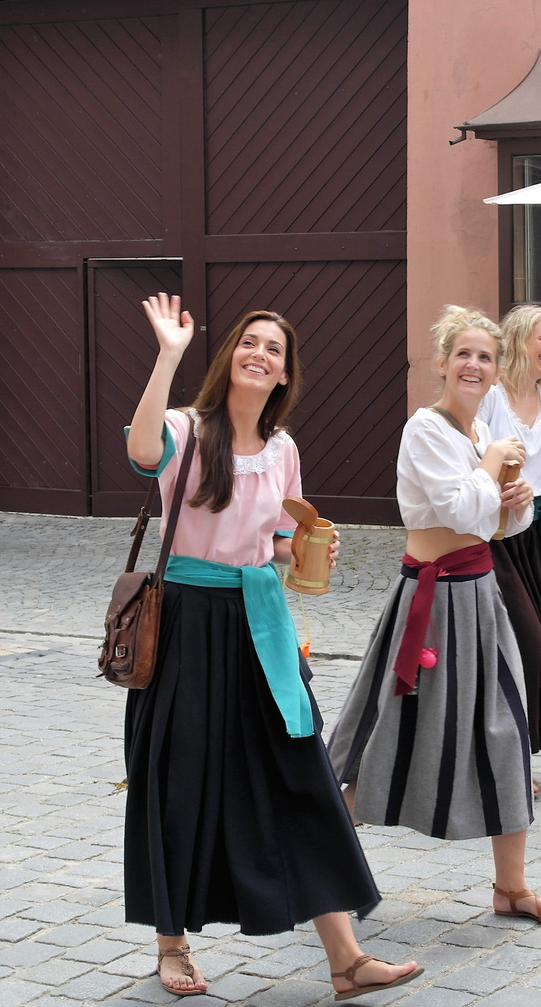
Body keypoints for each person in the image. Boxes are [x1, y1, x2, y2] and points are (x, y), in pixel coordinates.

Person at [124, 294, 420, 1000]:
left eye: (274, 350)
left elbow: (281, 548)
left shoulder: (283, 449)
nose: (260, 355)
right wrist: (167, 353)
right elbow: (139, 451)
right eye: (250, 343)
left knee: (302, 774)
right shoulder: (186, 429)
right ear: (231, 356)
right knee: (178, 779)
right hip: (187, 624)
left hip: (260, 625)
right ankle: (173, 945)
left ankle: (346, 960)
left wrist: (309, 549)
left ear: (285, 375)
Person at [327, 306, 541, 929]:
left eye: (485, 357)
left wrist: (519, 501)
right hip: (430, 604)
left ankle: (512, 888)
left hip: (479, 595)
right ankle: (321, 867)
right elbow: (459, 509)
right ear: (441, 363)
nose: (473, 365)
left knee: (506, 728)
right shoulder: (428, 430)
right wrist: (494, 468)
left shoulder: (472, 438)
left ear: (498, 371)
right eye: (462, 354)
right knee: (386, 734)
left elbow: (496, 525)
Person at [478, 305, 541, 769]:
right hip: (493, 535)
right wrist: (503, 487)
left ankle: (523, 751)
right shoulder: (491, 397)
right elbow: (470, 461)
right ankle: (505, 755)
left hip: (536, 533)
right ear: (518, 339)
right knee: (525, 642)